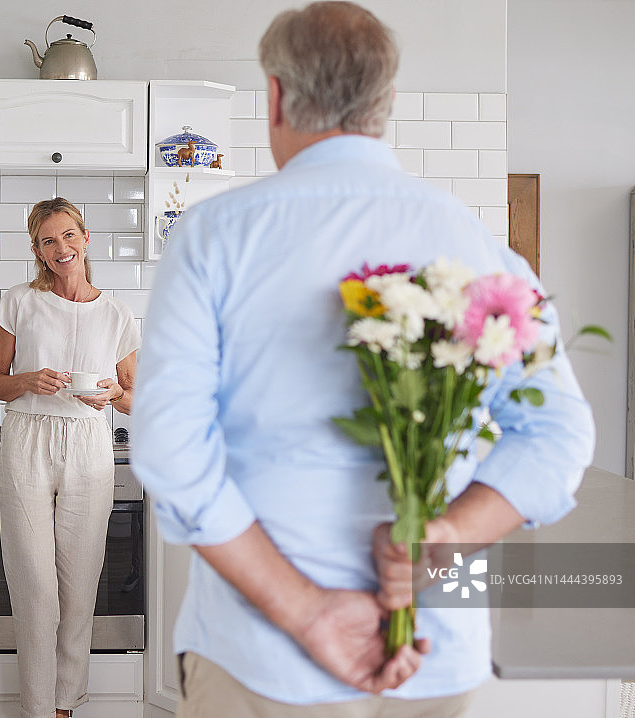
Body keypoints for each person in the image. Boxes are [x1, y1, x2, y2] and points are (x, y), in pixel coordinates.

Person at [130, 2, 595, 717]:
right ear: (386, 104)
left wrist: (308, 611)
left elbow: (170, 451)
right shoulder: (472, 243)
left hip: (261, 660)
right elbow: (559, 436)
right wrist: (441, 537)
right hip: (432, 657)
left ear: (277, 96)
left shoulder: (215, 235)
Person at [0, 197, 140, 718]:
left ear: (86, 237)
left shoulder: (117, 313)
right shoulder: (19, 302)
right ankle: (35, 709)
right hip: (27, 440)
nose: (61, 248)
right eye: (48, 241)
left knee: (79, 586)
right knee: (34, 586)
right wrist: (26, 381)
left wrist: (110, 397)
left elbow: (133, 397)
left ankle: (65, 705)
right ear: (36, 250)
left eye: (68, 235)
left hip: (89, 444)